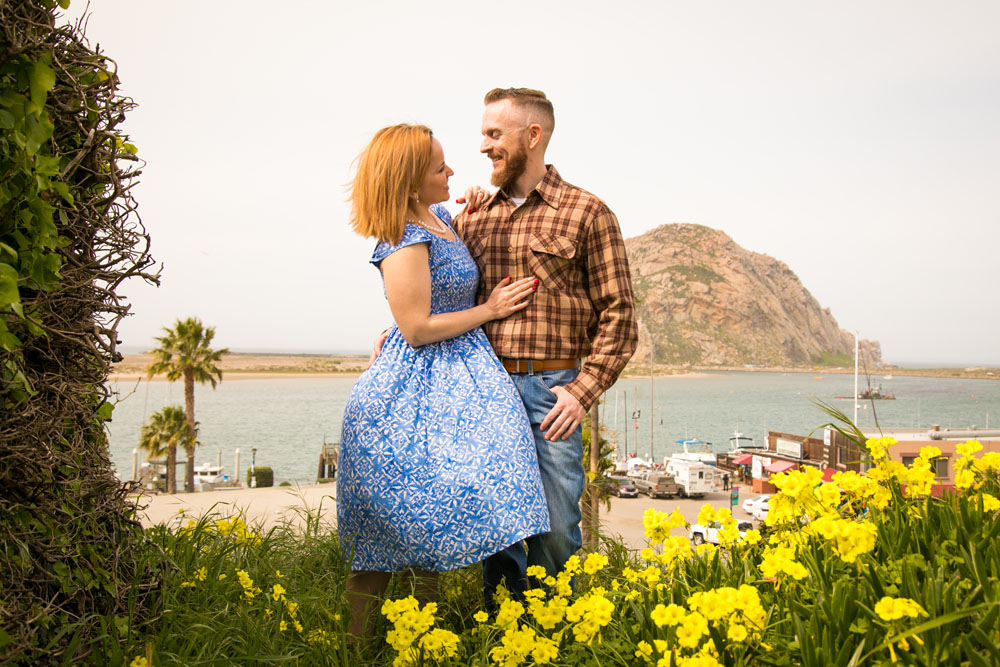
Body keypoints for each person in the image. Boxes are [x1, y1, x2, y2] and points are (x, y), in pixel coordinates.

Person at [338, 124, 550, 635]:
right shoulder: (402, 238)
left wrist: (477, 198)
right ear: (411, 182)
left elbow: (430, 295)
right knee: (379, 551)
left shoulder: (439, 218)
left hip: (459, 379)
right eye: (439, 167)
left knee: (428, 534)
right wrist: (490, 308)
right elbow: (415, 329)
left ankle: (425, 641)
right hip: (410, 392)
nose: (452, 172)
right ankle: (358, 649)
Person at [452, 88, 638, 604]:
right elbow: (436, 293)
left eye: (494, 134)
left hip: (553, 391)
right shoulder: (470, 216)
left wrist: (581, 391)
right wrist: (396, 331)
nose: (484, 146)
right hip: (484, 390)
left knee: (556, 529)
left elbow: (620, 317)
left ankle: (560, 639)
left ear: (532, 136)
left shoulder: (588, 212)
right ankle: (504, 639)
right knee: (498, 532)